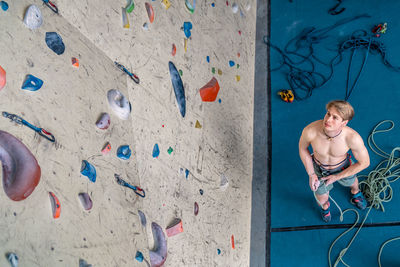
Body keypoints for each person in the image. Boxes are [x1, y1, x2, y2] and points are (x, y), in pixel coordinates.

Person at [298, 100, 370, 222]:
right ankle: (325, 207)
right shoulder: (310, 131)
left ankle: (355, 192)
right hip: (319, 168)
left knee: (352, 182)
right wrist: (311, 174)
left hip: (343, 167)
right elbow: (302, 148)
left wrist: (337, 177)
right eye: (328, 114)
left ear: (344, 123)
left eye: (335, 117)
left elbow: (365, 162)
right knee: (321, 198)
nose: (328, 119)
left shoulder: (352, 138)